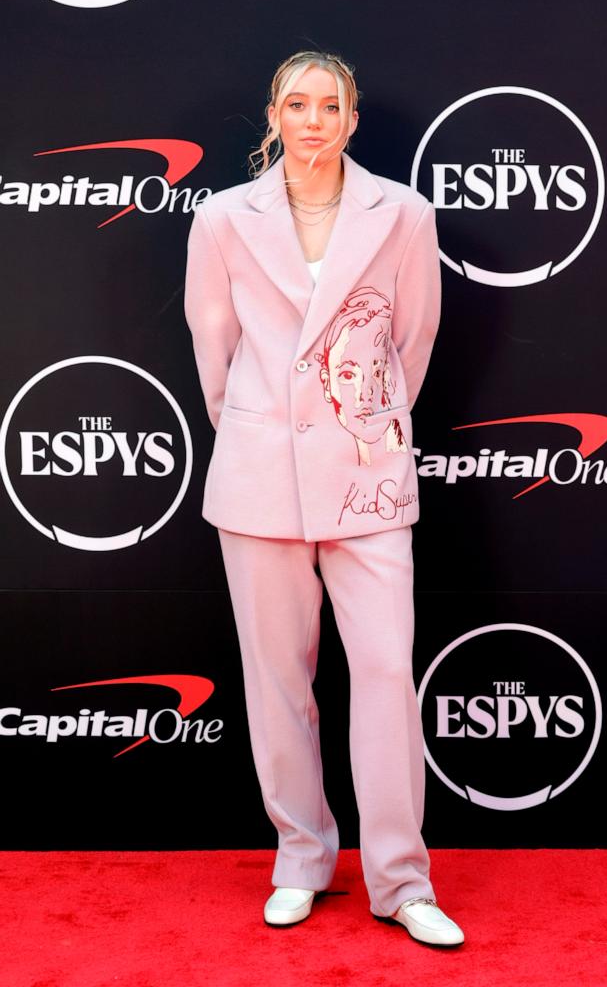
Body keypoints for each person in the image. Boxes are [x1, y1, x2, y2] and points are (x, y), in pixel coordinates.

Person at [183, 49, 464, 948]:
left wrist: (358, 426)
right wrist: (270, 429)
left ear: (352, 118)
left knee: (384, 673)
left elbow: (412, 343)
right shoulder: (222, 218)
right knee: (276, 685)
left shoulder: (403, 215)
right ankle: (300, 859)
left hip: (367, 470)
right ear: (272, 112)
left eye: (329, 105)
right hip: (259, 478)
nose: (312, 120)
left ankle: (400, 878)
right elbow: (213, 353)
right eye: (296, 103)